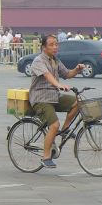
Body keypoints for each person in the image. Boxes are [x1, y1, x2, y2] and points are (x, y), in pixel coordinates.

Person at [27, 33, 83, 169]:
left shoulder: (55, 60)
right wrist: (58, 85)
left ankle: (65, 130)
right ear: (44, 47)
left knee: (79, 102)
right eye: (51, 45)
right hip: (40, 99)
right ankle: (45, 157)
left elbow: (67, 74)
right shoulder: (38, 61)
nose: (55, 47)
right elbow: (47, 76)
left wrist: (77, 69)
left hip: (54, 96)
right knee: (54, 125)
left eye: (56, 44)